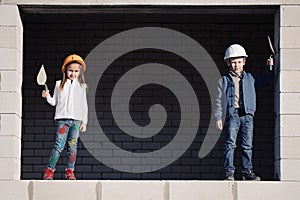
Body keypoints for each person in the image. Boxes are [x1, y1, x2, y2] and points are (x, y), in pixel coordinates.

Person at [215, 44, 273, 181]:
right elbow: (218, 100)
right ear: (228, 63)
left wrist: (270, 67)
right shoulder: (223, 81)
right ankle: (229, 172)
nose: (236, 65)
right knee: (230, 144)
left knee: (247, 145)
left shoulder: (250, 78)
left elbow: (266, 81)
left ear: (244, 62)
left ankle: (247, 171)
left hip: (247, 115)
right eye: (233, 62)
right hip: (232, 114)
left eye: (239, 62)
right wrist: (218, 117)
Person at [42, 54, 88, 180]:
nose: (73, 73)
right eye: (70, 70)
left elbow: (84, 105)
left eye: (76, 71)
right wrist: (47, 96)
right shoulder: (59, 85)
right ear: (65, 70)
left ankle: (70, 171)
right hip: (62, 120)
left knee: (72, 147)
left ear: (80, 72)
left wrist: (84, 121)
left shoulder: (82, 87)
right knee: (58, 145)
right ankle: (49, 170)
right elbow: (54, 102)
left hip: (76, 121)